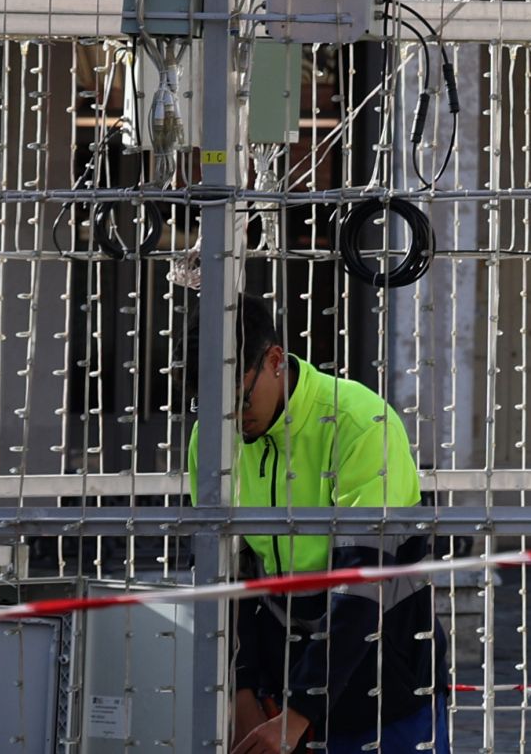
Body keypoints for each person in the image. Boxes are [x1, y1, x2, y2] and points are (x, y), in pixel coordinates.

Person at [187, 296, 450, 754]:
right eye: (213, 408)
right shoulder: (212, 437)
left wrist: (301, 711)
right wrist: (243, 692)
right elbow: (223, 575)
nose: (231, 420)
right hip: (279, 693)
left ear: (274, 361)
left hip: (388, 686)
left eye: (239, 400)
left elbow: (363, 584)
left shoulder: (358, 421)